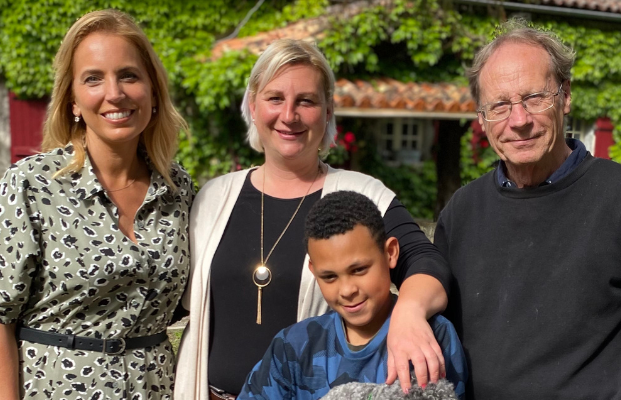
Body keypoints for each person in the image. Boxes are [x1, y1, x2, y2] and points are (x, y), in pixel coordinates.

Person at [435, 20, 621, 399]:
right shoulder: (461, 213)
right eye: (499, 106)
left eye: (534, 98)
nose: (519, 120)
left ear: (565, 97)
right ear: (481, 119)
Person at [174, 39, 450, 400]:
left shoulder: (362, 194)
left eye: (306, 101)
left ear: (327, 111)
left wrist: (410, 313)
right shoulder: (212, 197)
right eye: (275, 99)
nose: (289, 115)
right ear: (253, 107)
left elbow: (426, 262)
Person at [0, 9, 192, 399]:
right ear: (72, 100)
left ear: (153, 91)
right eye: (93, 79)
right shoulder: (31, 184)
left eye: (129, 75)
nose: (115, 93)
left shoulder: (179, 189)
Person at [238, 191, 467, 399]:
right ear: (313, 271)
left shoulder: (433, 336)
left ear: (390, 253)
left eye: (359, 270)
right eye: (329, 277)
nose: (347, 290)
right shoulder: (292, 347)